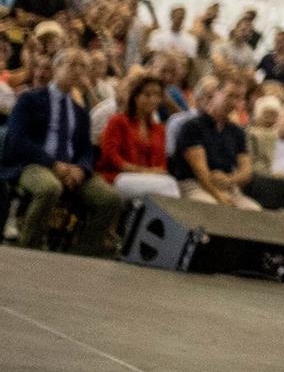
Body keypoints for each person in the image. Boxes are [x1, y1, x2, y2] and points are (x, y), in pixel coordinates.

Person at [1, 48, 121, 253]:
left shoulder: (79, 111)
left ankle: (84, 251)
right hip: (33, 163)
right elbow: (17, 140)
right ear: (56, 68)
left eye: (82, 66)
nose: (77, 70)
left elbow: (86, 150)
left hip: (71, 168)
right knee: (50, 188)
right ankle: (28, 246)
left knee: (110, 198)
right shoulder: (30, 100)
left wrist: (81, 169)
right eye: (71, 64)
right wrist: (52, 163)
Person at [171, 80, 259, 209]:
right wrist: (218, 195)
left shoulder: (237, 132)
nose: (234, 102)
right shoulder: (193, 126)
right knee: (212, 209)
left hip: (227, 185)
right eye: (230, 95)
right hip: (194, 183)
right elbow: (200, 170)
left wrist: (230, 180)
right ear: (216, 94)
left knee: (254, 211)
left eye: (239, 98)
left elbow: (246, 171)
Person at [98, 72, 180, 200]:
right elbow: (110, 156)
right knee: (169, 186)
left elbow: (161, 165)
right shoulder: (118, 121)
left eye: (157, 95)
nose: (153, 100)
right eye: (147, 95)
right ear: (135, 97)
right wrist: (143, 171)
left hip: (149, 179)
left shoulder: (159, 129)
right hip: (118, 176)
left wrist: (152, 173)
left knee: (168, 184)